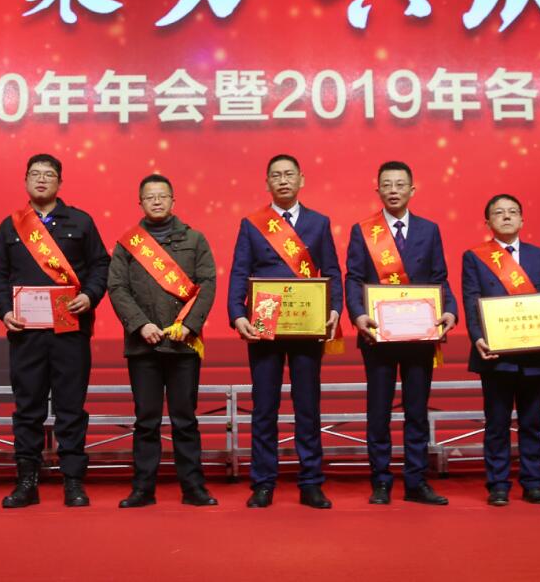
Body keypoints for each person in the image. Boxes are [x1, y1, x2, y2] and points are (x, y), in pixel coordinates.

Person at [0, 154, 111, 508]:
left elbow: (101, 265)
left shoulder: (81, 221)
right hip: (26, 332)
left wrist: (89, 295)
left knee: (71, 407)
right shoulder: (11, 226)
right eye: (35, 174)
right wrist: (4, 311)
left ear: (60, 182)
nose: (41, 180)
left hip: (70, 331)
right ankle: (27, 481)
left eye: (49, 175)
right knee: (28, 408)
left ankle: (73, 480)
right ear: (26, 180)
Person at [228, 154, 342, 509]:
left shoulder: (319, 223)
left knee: (307, 406)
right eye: (275, 175)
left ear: (301, 180)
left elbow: (332, 271)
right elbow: (239, 271)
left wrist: (335, 309)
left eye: (289, 174)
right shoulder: (252, 224)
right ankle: (263, 482)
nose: (283, 180)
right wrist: (237, 314)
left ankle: (311, 482)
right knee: (265, 406)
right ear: (267, 183)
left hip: (307, 320)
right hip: (265, 317)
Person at [344, 160, 457, 505]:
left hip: (419, 337)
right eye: (387, 184)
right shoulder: (363, 231)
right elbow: (353, 278)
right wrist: (358, 315)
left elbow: (439, 278)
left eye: (400, 184)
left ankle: (416, 481)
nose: (393, 190)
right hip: (378, 335)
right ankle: (381, 481)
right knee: (378, 412)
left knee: (416, 412)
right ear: (377, 189)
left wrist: (450, 310)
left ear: (412, 189)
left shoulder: (429, 230)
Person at [107, 174, 219, 507]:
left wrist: (190, 325)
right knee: (146, 420)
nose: (156, 201)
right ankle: (143, 489)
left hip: (183, 345)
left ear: (173, 200)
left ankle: (193, 488)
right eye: (150, 197)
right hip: (143, 346)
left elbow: (207, 283)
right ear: (140, 202)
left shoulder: (194, 239)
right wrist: (140, 325)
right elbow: (117, 288)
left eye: (162, 196)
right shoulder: (128, 244)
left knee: (185, 419)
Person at [462, 193, 540, 507]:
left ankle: (534, 483)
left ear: (522, 219)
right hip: (497, 355)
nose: (506, 217)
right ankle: (498, 484)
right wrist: (478, 337)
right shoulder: (475, 257)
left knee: (532, 423)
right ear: (488, 222)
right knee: (497, 424)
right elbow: (471, 300)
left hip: (535, 354)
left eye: (512, 212)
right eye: (499, 213)